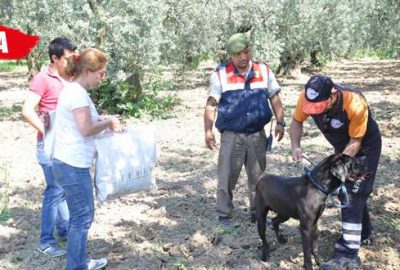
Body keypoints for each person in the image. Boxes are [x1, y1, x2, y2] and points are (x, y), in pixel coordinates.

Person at [289, 75, 381, 269]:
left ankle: (347, 254)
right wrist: (295, 146)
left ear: (332, 95)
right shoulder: (307, 97)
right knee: (354, 189)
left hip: (365, 146)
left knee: (352, 192)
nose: (314, 110)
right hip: (341, 147)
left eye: (319, 106)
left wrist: (337, 167)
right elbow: (297, 121)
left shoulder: (354, 102)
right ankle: (363, 232)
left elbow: (355, 142)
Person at [51, 48, 123, 270]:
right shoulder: (77, 94)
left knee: (81, 216)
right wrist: (109, 122)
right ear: (88, 71)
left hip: (69, 162)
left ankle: (79, 262)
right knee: (82, 218)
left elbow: (83, 121)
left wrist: (101, 118)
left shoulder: (74, 91)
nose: (103, 77)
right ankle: (77, 265)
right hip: (72, 164)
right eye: (101, 73)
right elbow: (85, 128)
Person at [204, 33, 285, 226]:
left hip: (258, 134)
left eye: (246, 52)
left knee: (258, 178)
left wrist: (281, 122)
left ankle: (258, 213)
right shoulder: (220, 74)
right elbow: (211, 104)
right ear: (230, 56)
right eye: (238, 54)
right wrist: (208, 131)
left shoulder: (264, 70)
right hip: (232, 135)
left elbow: (274, 97)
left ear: (251, 50)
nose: (243, 57)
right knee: (226, 177)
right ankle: (224, 214)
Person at [22, 37, 76, 257]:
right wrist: (48, 133)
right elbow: (27, 111)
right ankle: (45, 242)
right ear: (54, 58)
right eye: (68, 58)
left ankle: (65, 231)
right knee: (54, 191)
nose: (73, 61)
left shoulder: (71, 78)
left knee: (62, 190)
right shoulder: (42, 79)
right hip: (49, 145)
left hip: (68, 144)